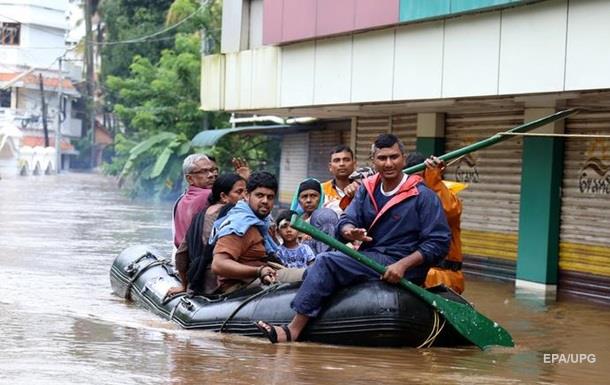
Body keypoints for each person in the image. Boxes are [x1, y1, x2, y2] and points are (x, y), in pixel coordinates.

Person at [255, 133, 451, 343]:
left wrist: (403, 265)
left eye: (394, 157)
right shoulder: (367, 190)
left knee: (327, 261)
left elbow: (438, 243)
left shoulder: (422, 195)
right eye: (382, 158)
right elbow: (347, 218)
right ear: (373, 161)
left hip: (404, 263)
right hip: (372, 258)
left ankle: (292, 330)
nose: (388, 163)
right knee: (322, 263)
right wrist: (349, 230)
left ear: (403, 158)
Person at [210, 171, 304, 294]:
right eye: (259, 195)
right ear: (247, 195)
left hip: (264, 277)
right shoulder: (240, 224)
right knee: (311, 275)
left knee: (318, 271)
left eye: (270, 197)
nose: (265, 201)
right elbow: (218, 265)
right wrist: (259, 271)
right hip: (241, 287)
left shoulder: (262, 222)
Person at [167, 174, 247, 296]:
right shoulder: (235, 216)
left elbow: (181, 254)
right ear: (224, 196)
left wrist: (184, 285)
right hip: (224, 282)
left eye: (246, 192)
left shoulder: (200, 217)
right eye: (239, 192)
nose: (244, 197)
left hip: (200, 282)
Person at [406, 152, 466, 294]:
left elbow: (448, 210)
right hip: (413, 273)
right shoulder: (404, 196)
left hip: (442, 275)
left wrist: (432, 178)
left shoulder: (446, 195)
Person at [172, 154, 218, 248]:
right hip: (201, 256)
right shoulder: (209, 195)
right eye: (204, 171)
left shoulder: (181, 199)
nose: (211, 175)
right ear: (190, 178)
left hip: (183, 255)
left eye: (212, 170)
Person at [290, 178, 339, 254]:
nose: (308, 200)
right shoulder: (295, 221)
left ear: (321, 197)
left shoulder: (326, 218)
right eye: (304, 196)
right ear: (298, 200)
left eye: (313, 196)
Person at [321, 145, 359, 214]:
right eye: (337, 160)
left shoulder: (362, 189)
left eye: (346, 160)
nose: (342, 164)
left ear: (354, 164)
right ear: (330, 167)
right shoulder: (321, 189)